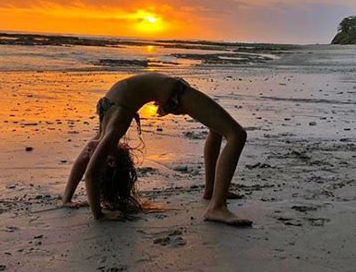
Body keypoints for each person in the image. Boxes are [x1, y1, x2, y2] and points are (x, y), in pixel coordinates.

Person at [62, 72, 252, 226]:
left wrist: (67, 198)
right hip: (177, 94)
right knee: (236, 135)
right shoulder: (113, 129)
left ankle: (211, 190)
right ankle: (217, 207)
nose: (125, 147)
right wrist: (99, 215)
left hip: (172, 93)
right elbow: (91, 174)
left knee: (217, 129)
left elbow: (83, 164)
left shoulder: (100, 135)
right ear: (109, 161)